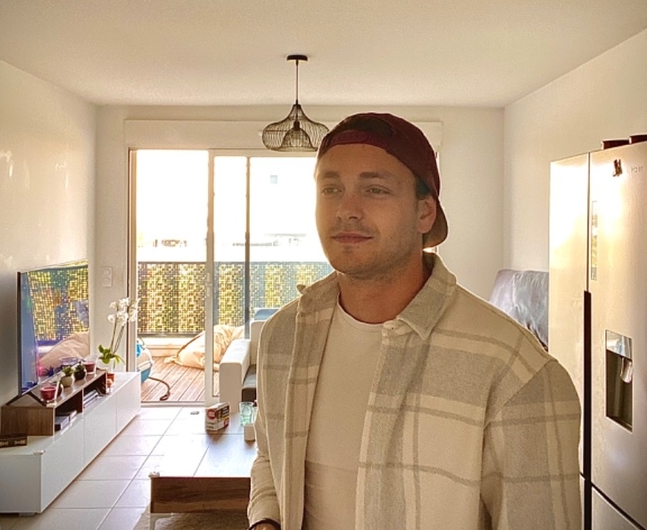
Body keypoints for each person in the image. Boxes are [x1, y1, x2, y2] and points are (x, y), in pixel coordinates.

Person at [247, 112, 581, 530]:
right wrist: (266, 520)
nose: (346, 209)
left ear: (425, 212)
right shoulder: (284, 337)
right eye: (331, 189)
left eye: (375, 189)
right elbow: (270, 458)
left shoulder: (515, 371)